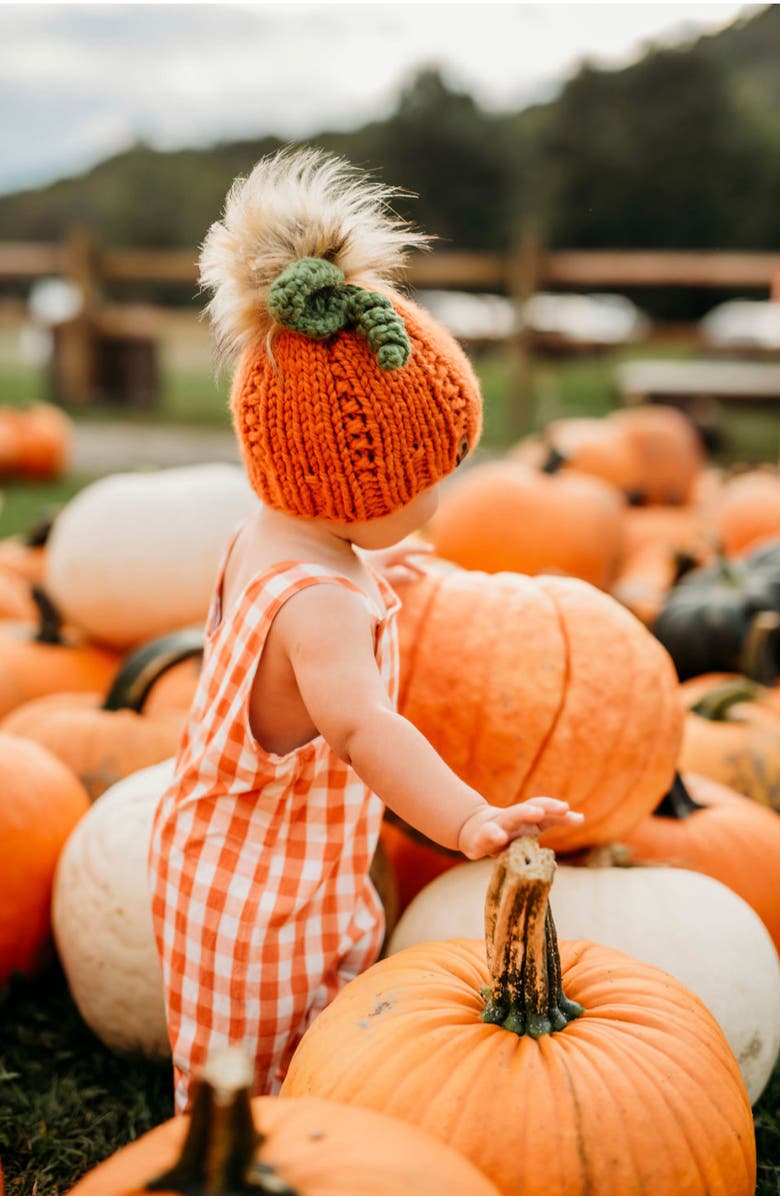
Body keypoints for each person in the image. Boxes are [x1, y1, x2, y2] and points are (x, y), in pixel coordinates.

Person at [148, 147, 583, 1114]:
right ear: (356, 488)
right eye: (427, 482)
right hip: (262, 895)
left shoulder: (275, 534)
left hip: (229, 850)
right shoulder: (326, 609)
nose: (438, 501)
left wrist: (389, 562)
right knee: (257, 1076)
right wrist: (468, 816)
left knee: (292, 1044)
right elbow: (363, 729)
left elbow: (329, 573)